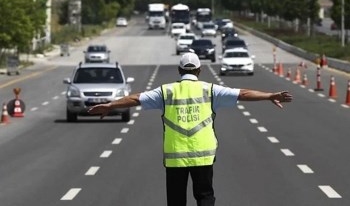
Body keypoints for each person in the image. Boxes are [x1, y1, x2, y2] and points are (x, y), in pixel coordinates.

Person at [88, 52, 293, 206]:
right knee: (205, 196)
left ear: (179, 71)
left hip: (175, 156)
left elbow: (135, 98)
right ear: (199, 71)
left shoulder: (166, 91)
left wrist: (110, 105)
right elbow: (243, 93)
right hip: (203, 156)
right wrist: (269, 96)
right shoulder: (210, 90)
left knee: (176, 200)